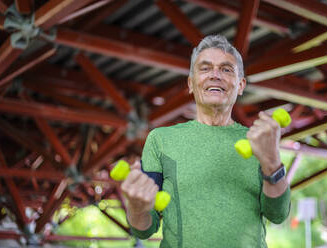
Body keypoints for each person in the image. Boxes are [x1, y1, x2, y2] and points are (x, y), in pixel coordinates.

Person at [120, 35, 290, 247]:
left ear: (240, 85)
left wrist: (272, 163)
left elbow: (278, 214)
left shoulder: (259, 141)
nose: (215, 75)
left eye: (226, 69)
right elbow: (144, 229)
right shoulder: (160, 140)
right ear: (191, 84)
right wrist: (136, 208)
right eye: (205, 68)